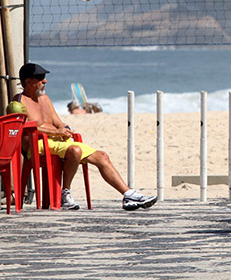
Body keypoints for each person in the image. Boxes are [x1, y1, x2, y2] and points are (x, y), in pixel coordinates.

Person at [15, 63, 157, 211]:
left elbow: (58, 123)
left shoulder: (45, 99)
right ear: (28, 81)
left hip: (57, 142)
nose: (45, 81)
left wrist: (64, 129)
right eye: (41, 78)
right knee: (75, 150)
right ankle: (65, 194)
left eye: (45, 78)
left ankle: (128, 194)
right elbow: (20, 127)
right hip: (36, 145)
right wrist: (55, 133)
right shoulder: (19, 101)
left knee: (102, 156)